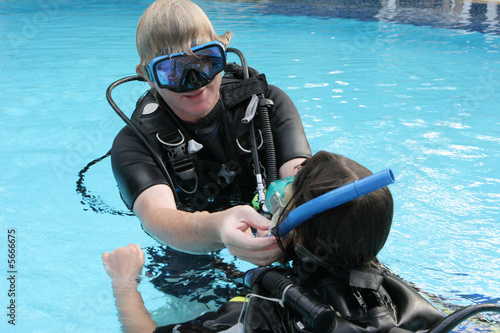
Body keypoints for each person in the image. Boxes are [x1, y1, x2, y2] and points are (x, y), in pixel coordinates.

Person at [102, 151, 447, 333]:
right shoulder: (398, 294)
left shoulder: (259, 314)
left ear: (294, 225)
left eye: (289, 192)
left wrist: (124, 282)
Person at [110, 0, 311, 267]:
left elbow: (300, 176)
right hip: (189, 245)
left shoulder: (267, 103)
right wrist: (217, 228)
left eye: (206, 61)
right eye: (173, 70)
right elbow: (158, 218)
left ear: (223, 55)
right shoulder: (134, 143)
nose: (195, 82)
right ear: (147, 74)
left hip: (275, 228)